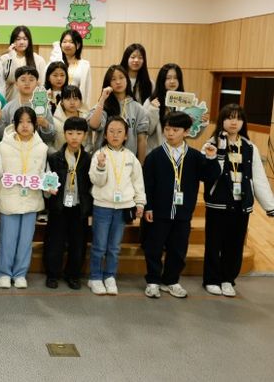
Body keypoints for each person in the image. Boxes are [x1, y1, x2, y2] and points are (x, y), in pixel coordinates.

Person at [143, 111, 219, 299]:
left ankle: (171, 281)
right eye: (167, 129)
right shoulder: (155, 156)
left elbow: (210, 176)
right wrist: (148, 206)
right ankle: (153, 281)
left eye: (175, 130)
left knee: (178, 249)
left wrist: (211, 159)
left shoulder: (194, 156)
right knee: (154, 247)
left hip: (183, 213)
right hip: (159, 212)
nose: (170, 133)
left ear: (186, 132)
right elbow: (147, 184)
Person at [202, 104, 274, 297]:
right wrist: (220, 151)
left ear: (243, 122)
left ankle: (227, 279)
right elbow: (208, 175)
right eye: (229, 117)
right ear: (222, 120)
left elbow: (258, 178)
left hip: (241, 204)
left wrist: (270, 206)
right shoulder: (210, 144)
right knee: (214, 244)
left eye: (238, 118)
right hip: (218, 203)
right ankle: (211, 279)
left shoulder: (250, 147)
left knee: (234, 245)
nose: (234, 122)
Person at [0, 107, 48, 289]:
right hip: (10, 199)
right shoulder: (4, 145)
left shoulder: (42, 148)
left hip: (31, 199)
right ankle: (5, 273)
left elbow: (43, 173)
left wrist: (48, 185)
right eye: (20, 122)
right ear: (14, 124)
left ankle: (21, 273)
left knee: (25, 240)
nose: (25, 126)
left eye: (29, 122)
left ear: (35, 124)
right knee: (7, 239)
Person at [87, 116, 146, 296]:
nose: (115, 135)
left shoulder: (131, 157)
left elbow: (138, 182)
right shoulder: (99, 155)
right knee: (99, 246)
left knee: (114, 247)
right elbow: (96, 181)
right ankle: (95, 277)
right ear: (105, 135)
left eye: (119, 132)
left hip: (123, 207)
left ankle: (110, 276)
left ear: (126, 136)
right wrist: (101, 166)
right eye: (111, 131)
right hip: (102, 206)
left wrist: (140, 202)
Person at [44, 117, 92, 290]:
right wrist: (48, 190)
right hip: (59, 206)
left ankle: (73, 275)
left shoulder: (88, 159)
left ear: (85, 135)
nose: (74, 137)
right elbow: (48, 181)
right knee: (55, 242)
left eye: (79, 133)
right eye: (70, 133)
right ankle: (52, 274)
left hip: (79, 207)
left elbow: (92, 184)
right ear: (64, 134)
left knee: (78, 244)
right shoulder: (54, 158)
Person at [88, 65, 149, 163]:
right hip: (103, 161)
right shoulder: (103, 105)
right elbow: (93, 125)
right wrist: (102, 99)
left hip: (128, 162)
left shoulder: (138, 108)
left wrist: (141, 164)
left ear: (127, 80)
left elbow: (142, 139)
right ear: (108, 83)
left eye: (121, 77)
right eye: (113, 79)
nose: (118, 82)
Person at [144, 63, 207, 151]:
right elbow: (147, 131)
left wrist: (201, 123)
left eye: (176, 78)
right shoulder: (151, 101)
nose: (172, 81)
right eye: (168, 78)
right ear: (162, 80)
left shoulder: (186, 102)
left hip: (178, 152)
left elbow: (191, 135)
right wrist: (153, 110)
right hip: (156, 151)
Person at [0, 66, 55, 145]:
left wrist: (45, 125)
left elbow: (50, 138)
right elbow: (1, 136)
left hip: (36, 149)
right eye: (23, 80)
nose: (27, 83)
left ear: (37, 83)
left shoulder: (43, 108)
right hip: (13, 148)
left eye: (31, 80)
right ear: (16, 83)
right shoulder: (8, 108)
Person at [1, 26, 47, 101]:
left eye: (25, 39)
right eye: (18, 39)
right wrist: (12, 56)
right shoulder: (5, 58)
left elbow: (41, 84)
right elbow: (11, 79)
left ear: (29, 41)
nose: (21, 42)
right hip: (11, 101)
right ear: (12, 41)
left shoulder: (38, 60)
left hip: (32, 103)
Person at [52, 85, 93, 153]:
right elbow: (50, 144)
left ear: (80, 101)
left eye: (75, 99)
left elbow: (89, 143)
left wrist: (83, 155)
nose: (72, 103)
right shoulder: (54, 120)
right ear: (62, 101)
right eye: (68, 99)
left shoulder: (86, 118)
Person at [61, 30, 91, 106]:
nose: (67, 45)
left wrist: (83, 109)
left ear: (78, 45)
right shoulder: (55, 63)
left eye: (71, 42)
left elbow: (87, 91)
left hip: (75, 106)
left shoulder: (84, 65)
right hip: (57, 105)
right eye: (64, 42)